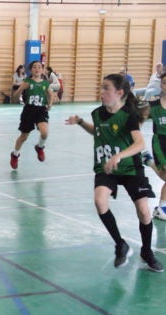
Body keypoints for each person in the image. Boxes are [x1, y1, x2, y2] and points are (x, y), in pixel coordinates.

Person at [65, 73, 163, 272]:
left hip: (130, 168)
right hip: (106, 167)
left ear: (119, 93)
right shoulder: (97, 113)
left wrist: (119, 156)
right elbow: (99, 131)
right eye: (101, 88)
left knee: (144, 212)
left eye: (106, 88)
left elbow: (140, 143)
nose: (101, 92)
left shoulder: (129, 116)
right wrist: (81, 122)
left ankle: (147, 251)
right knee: (100, 201)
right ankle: (120, 244)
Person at [10, 60, 54, 169]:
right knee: (24, 136)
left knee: (44, 132)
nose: (37, 69)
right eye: (35, 67)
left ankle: (40, 147)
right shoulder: (27, 82)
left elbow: (51, 94)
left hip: (41, 110)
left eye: (39, 67)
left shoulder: (45, 83)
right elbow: (15, 97)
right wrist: (19, 91)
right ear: (31, 70)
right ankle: (15, 154)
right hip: (29, 110)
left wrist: (50, 104)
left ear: (42, 69)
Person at [140, 72, 166, 221]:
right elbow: (137, 123)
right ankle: (161, 208)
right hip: (160, 143)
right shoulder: (153, 106)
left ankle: (148, 161)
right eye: (164, 82)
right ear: (160, 85)